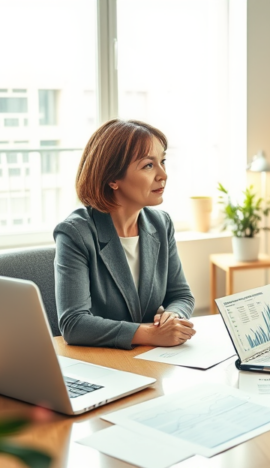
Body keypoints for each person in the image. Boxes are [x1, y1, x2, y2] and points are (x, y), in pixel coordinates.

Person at [54, 119, 196, 349]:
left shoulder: (161, 224)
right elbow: (74, 324)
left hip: (150, 360)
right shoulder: (76, 232)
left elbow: (181, 294)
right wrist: (149, 333)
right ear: (112, 179)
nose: (163, 175)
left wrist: (173, 316)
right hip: (99, 363)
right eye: (148, 165)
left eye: (162, 162)